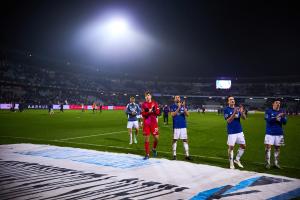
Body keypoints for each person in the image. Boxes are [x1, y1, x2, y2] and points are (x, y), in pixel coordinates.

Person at [224, 96, 246, 169]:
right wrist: (234, 113)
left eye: (233, 99)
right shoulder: (226, 109)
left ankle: (237, 160)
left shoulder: (237, 108)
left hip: (239, 131)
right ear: (228, 102)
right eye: (230, 100)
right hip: (232, 131)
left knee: (243, 146)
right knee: (231, 147)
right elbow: (228, 121)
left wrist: (242, 112)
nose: (232, 100)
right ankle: (231, 163)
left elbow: (244, 118)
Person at [264, 98, 287, 169]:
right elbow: (268, 120)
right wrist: (277, 117)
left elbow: (285, 122)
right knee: (268, 148)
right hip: (270, 133)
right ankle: (267, 163)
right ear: (273, 104)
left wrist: (283, 117)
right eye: (276, 103)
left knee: (277, 148)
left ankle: (276, 163)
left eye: (279, 103)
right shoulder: (268, 111)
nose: (278, 104)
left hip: (279, 133)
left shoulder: (282, 111)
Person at [170, 96, 190, 160]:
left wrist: (183, 107)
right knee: (174, 140)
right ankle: (174, 155)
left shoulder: (183, 106)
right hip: (176, 126)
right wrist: (178, 107)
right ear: (174, 99)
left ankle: (187, 155)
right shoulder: (172, 106)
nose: (178, 98)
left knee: (185, 140)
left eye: (178, 97)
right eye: (176, 97)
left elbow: (187, 115)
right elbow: (172, 115)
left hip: (183, 126)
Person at [141, 91, 160, 160]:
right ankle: (147, 154)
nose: (147, 96)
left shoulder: (155, 103)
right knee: (146, 138)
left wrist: (152, 111)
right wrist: (148, 112)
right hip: (146, 123)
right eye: (146, 96)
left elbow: (158, 113)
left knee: (157, 138)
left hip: (154, 123)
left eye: (148, 95)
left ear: (150, 96)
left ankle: (154, 148)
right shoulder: (143, 104)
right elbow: (143, 114)